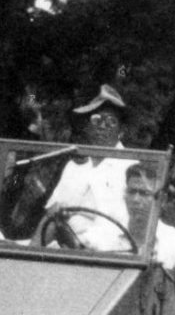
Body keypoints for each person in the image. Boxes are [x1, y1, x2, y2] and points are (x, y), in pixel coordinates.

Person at [83, 162, 175, 278]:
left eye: (144, 194)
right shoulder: (102, 236)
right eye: (132, 192)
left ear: (163, 200)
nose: (136, 200)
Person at [43, 84, 134, 242]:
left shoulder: (131, 167)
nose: (103, 127)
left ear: (121, 131)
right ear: (87, 127)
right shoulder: (74, 165)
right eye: (96, 119)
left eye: (111, 121)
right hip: (65, 245)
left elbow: (129, 223)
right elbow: (52, 213)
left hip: (109, 251)